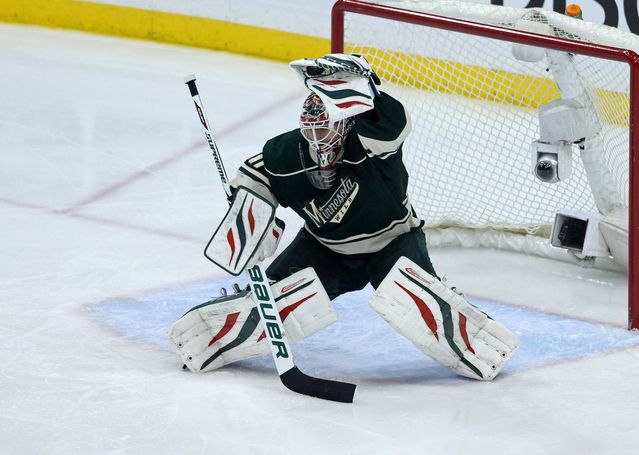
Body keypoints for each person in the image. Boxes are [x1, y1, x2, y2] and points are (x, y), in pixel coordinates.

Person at [167, 54, 520, 381]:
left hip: (393, 242)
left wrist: (362, 90)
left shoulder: (367, 142)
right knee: (270, 302)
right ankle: (214, 333)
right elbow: (256, 175)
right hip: (325, 250)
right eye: (311, 130)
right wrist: (251, 218)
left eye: (326, 128)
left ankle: (474, 337)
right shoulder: (289, 153)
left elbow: (394, 123)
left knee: (419, 305)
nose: (318, 138)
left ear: (345, 123)